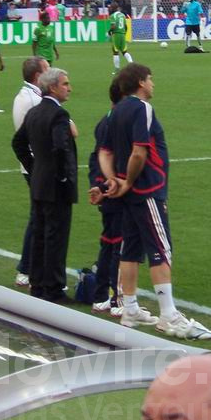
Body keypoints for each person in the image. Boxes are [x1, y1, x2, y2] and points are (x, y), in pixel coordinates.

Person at [99, 63, 211, 340]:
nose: (153, 84)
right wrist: (128, 180)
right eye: (150, 79)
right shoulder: (142, 109)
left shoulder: (114, 112)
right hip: (147, 189)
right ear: (140, 82)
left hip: (128, 192)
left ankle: (129, 308)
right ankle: (169, 315)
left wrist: (113, 180)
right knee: (160, 249)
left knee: (130, 248)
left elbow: (104, 152)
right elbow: (140, 152)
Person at [12, 68, 77, 304]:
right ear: (53, 87)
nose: (69, 88)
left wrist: (34, 166)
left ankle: (37, 284)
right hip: (55, 187)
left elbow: (17, 143)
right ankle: (54, 288)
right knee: (56, 237)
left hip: (39, 182)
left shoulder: (36, 112)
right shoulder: (59, 115)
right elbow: (61, 147)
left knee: (40, 235)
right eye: (65, 84)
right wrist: (60, 176)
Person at [12, 56, 50, 287]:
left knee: (40, 217)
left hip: (32, 164)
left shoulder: (25, 95)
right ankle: (27, 268)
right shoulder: (35, 101)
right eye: (47, 69)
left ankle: (31, 267)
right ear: (37, 76)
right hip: (38, 165)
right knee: (40, 218)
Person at [88, 78, 123, 316]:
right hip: (116, 189)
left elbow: (94, 159)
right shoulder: (115, 124)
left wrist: (96, 185)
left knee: (109, 241)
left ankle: (102, 296)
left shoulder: (106, 121)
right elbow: (102, 158)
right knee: (117, 243)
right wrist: (102, 185)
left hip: (106, 189)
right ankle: (115, 299)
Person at [108, 2, 133, 73]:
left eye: (111, 8)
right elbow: (125, 26)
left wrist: (109, 31)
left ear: (113, 8)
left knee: (115, 51)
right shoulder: (122, 15)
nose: (110, 9)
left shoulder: (113, 16)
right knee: (124, 51)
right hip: (122, 34)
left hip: (116, 34)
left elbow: (113, 26)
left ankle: (117, 69)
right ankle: (132, 64)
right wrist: (124, 33)